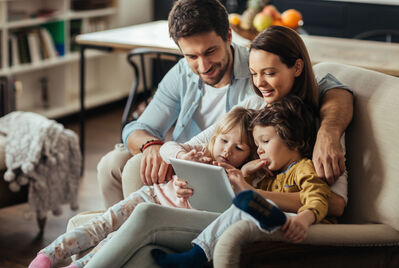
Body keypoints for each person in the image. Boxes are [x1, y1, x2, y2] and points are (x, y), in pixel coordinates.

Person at [80, 25, 353, 268]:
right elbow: (186, 148)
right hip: (227, 207)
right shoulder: (253, 106)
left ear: (296, 67)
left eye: (269, 73)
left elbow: (336, 204)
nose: (259, 83)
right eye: (255, 74)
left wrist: (254, 194)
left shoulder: (322, 123)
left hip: (259, 218)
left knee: (145, 215)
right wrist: (186, 171)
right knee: (144, 247)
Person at [97, 0, 353, 209]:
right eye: (191, 56)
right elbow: (138, 128)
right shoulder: (243, 93)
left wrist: (329, 130)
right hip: (194, 164)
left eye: (210, 52)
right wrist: (156, 147)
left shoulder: (261, 73)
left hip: (232, 180)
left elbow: (328, 84)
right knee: (117, 165)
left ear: (229, 36)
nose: (203, 66)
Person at [28, 107, 258, 268]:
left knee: (114, 240)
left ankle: (79, 266)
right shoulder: (197, 153)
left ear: (250, 154)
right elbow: (168, 148)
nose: (227, 151)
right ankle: (48, 255)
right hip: (150, 195)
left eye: (239, 148)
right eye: (224, 141)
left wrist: (241, 177)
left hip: (166, 215)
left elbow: (223, 209)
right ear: (215, 138)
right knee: (103, 223)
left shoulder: (233, 178)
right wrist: (183, 162)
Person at [151, 96, 334, 267]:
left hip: (304, 225)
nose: (260, 151)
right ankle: (268, 214)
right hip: (273, 225)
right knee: (243, 205)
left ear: (294, 141)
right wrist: (242, 175)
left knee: (248, 205)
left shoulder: (304, 168)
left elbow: (318, 196)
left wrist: (305, 218)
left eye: (265, 141)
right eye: (257, 144)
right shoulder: (270, 176)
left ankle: (197, 254)